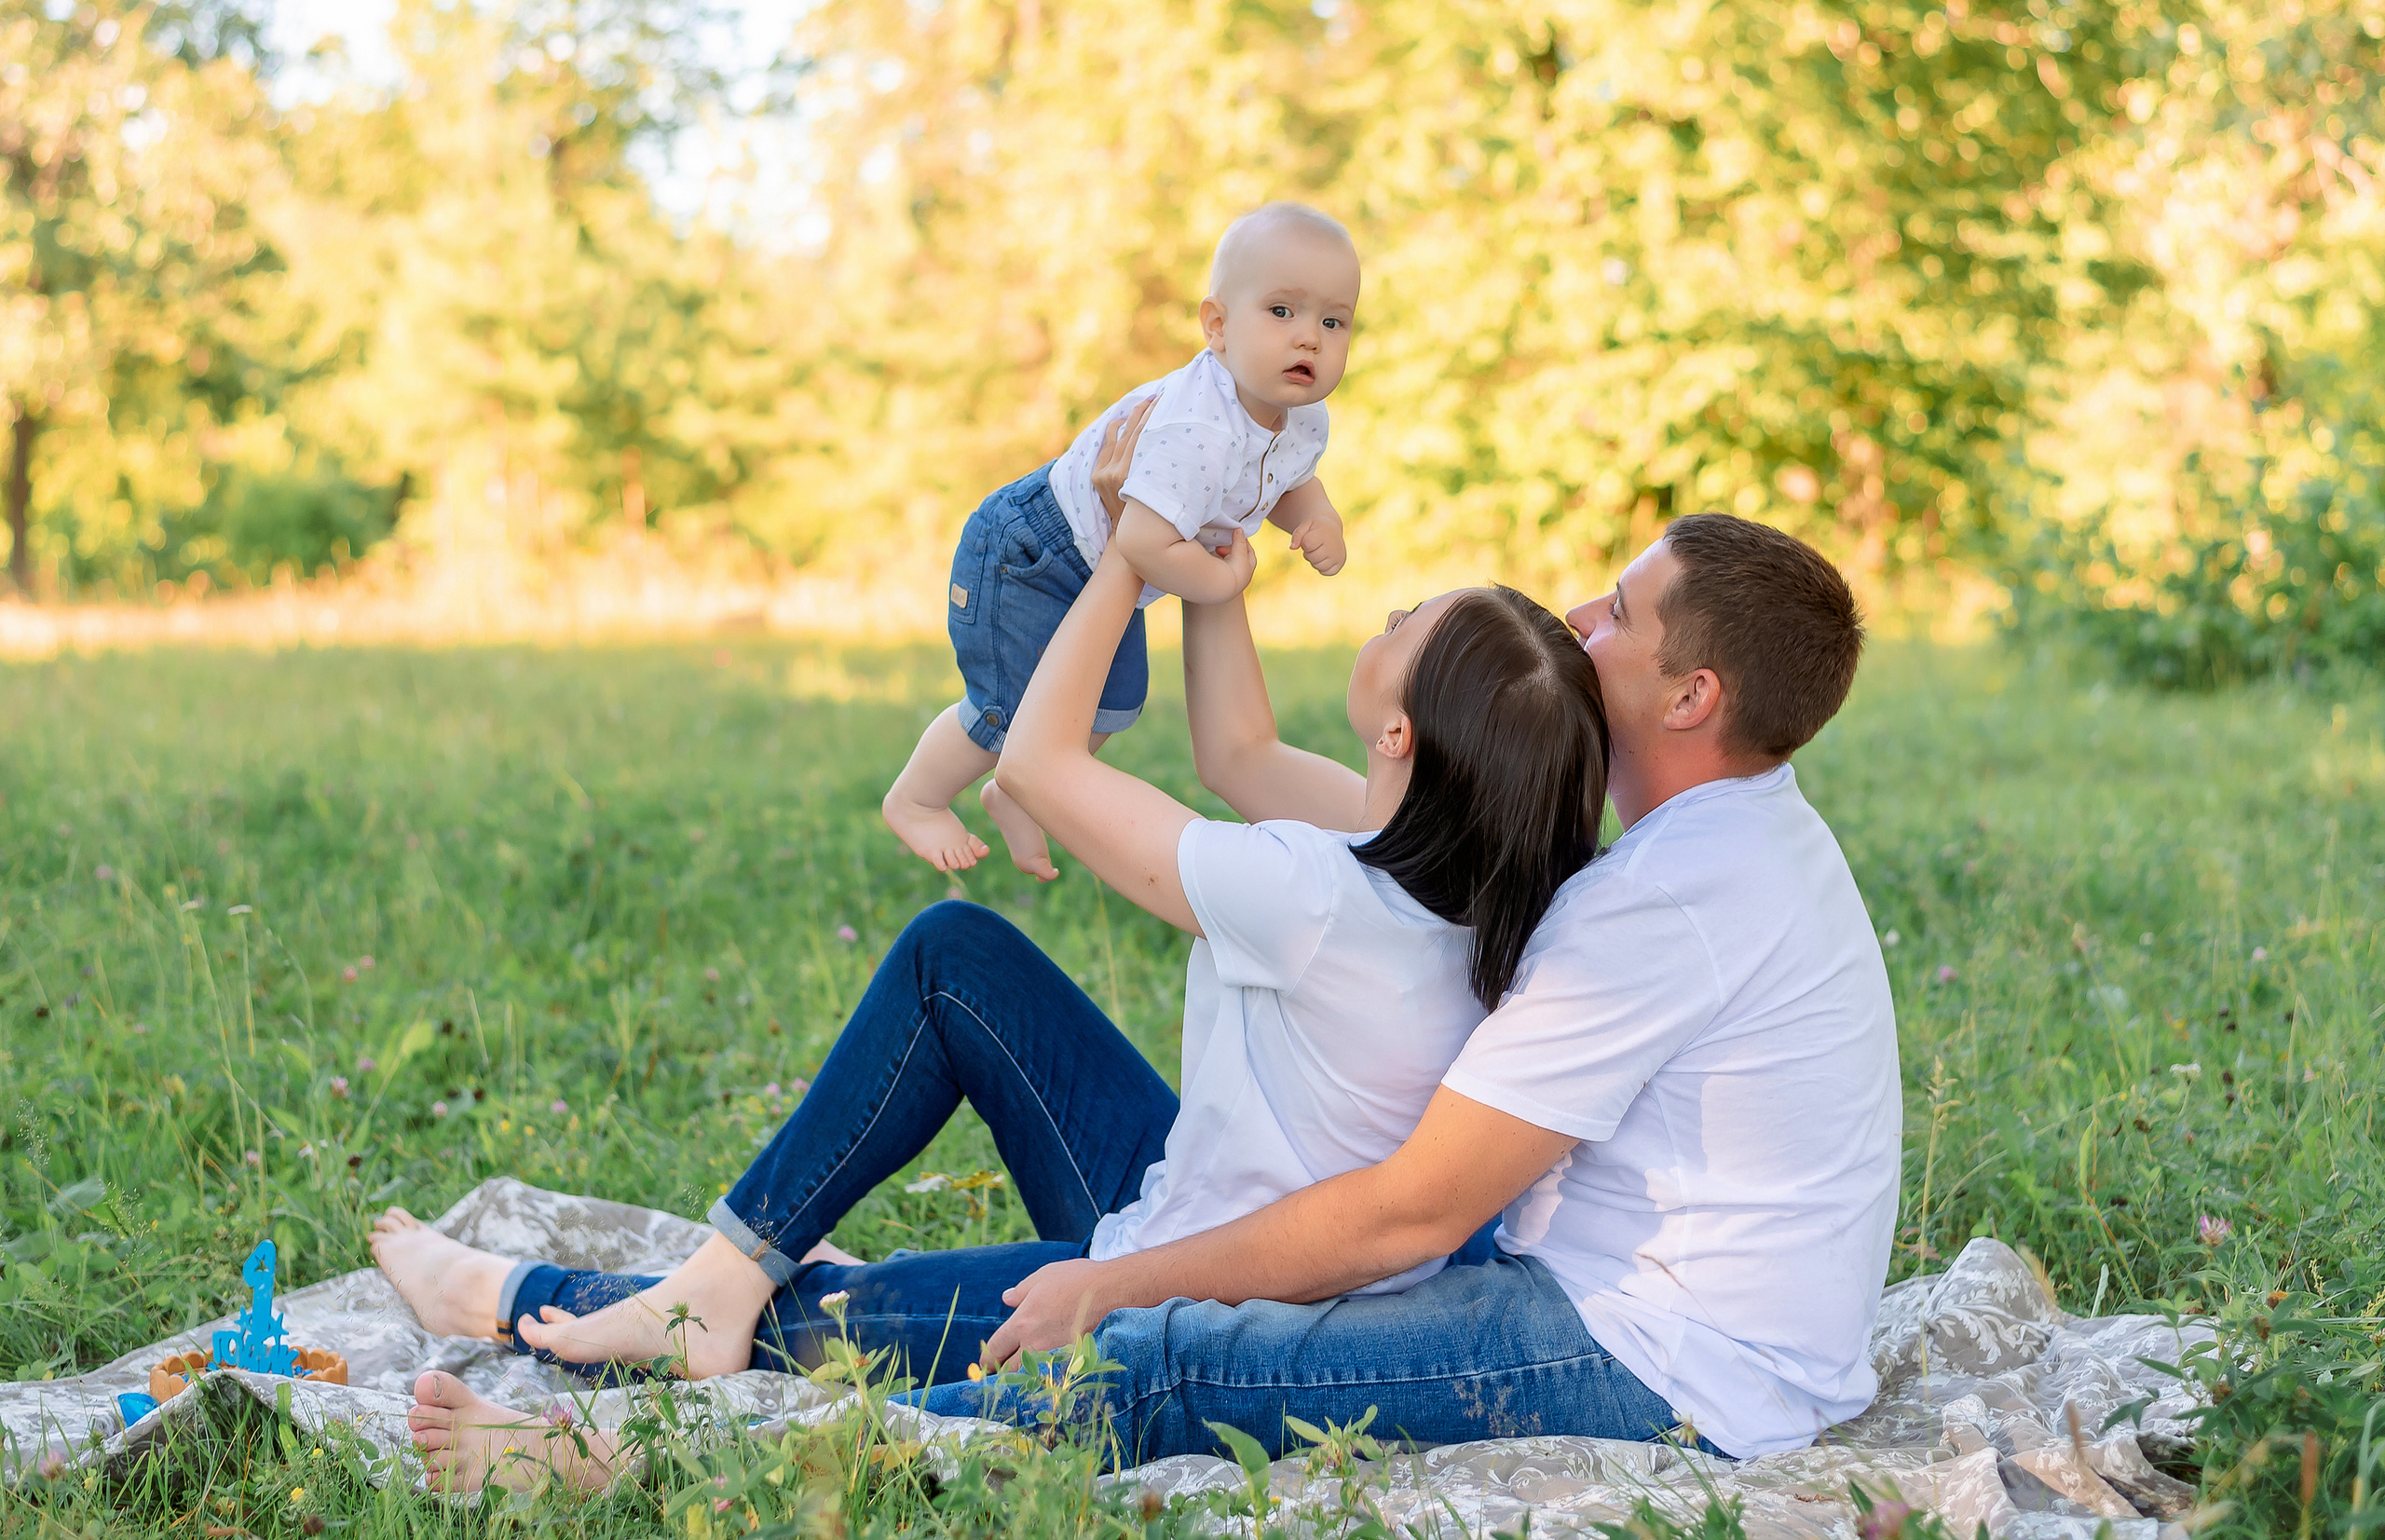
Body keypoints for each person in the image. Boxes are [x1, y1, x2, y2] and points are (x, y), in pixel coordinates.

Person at [379, 508, 1895, 1489]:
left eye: (1621, 608)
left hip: (1656, 1364)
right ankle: (657, 1306)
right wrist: (1211, 574)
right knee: (975, 1000)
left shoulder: (1657, 900)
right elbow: (1247, 763)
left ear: (1691, 696)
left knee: (1143, 1354)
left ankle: (617, 1417)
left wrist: (1116, 1286)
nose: (1584, 611)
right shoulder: (1576, 845)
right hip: (1295, 1203)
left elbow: (1408, 1218)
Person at [881, 201, 1357, 883]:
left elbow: (1289, 482)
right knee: (1006, 706)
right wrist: (1221, 582)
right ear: (1217, 326)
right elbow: (1142, 540)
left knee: (1113, 703)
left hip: (1102, 567)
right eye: (1282, 312)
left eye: (1332, 321)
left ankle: (1018, 791)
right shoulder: (1199, 424)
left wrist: (1322, 519)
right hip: (1032, 550)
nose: (1309, 337)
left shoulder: (1303, 420)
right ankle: (918, 798)